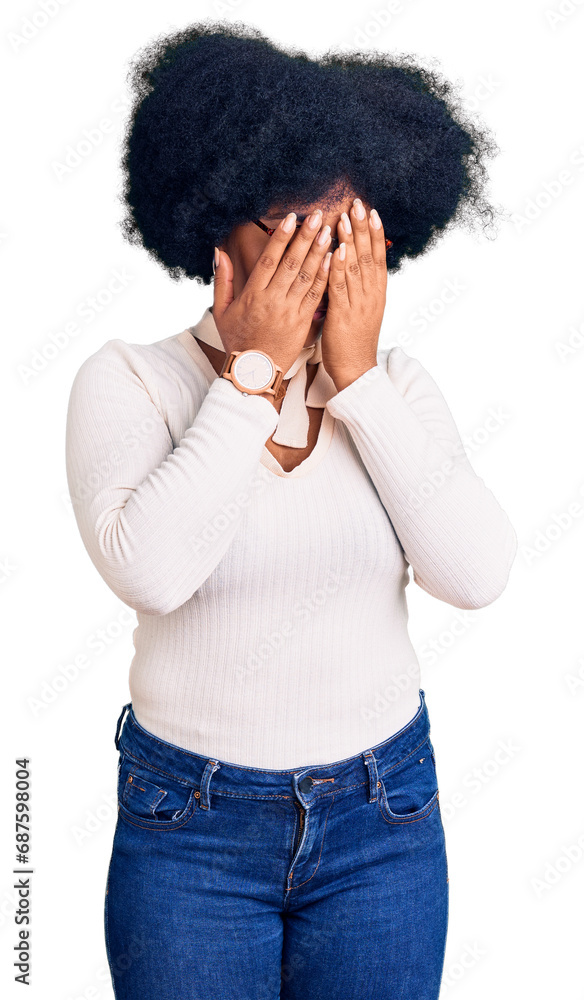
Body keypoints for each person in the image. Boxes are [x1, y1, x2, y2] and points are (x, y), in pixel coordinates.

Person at [65, 22, 517, 1000]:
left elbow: (477, 573)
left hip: (379, 824)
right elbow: (153, 568)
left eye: (345, 240)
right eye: (293, 235)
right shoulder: (129, 385)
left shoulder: (395, 389)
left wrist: (352, 382)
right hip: (190, 830)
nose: (319, 268)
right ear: (215, 223)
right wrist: (254, 374)